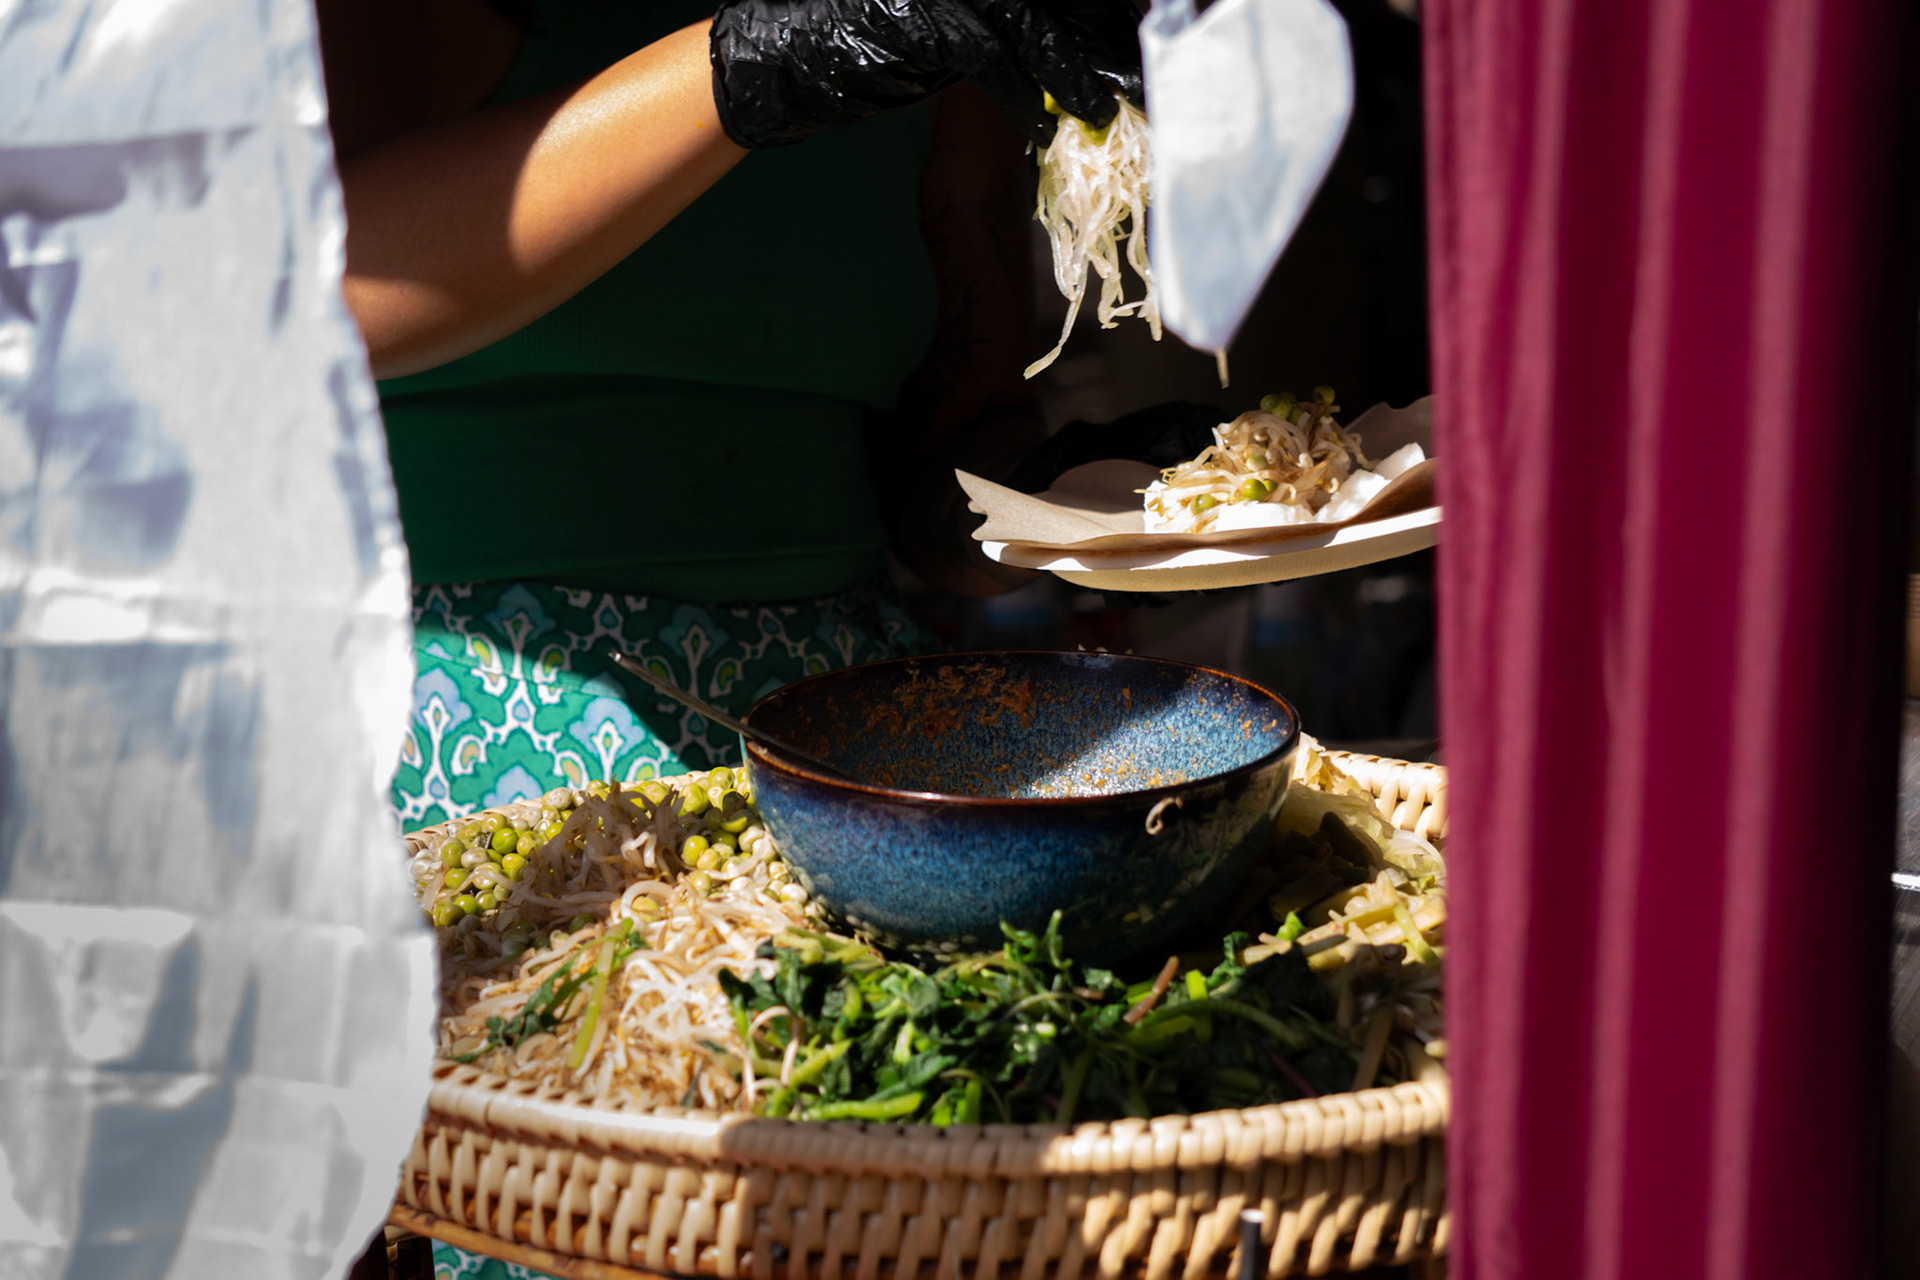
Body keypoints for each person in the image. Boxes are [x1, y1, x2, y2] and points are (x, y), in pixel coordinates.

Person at [317, 0, 1139, 1272]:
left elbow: (941, 468)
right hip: (463, 742)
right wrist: (752, 65)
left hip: (838, 766)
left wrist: (1100, 500)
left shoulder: (952, 45)